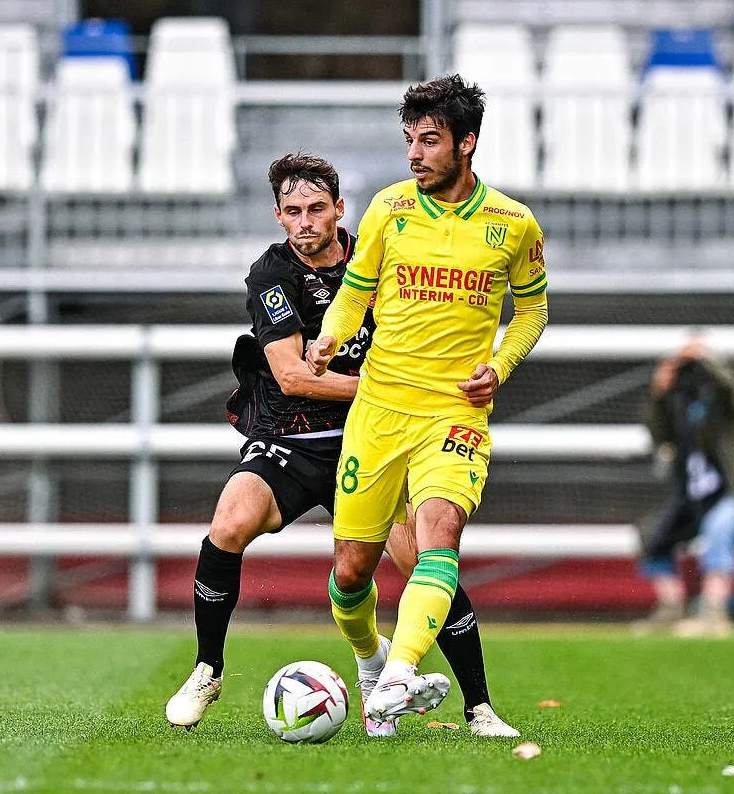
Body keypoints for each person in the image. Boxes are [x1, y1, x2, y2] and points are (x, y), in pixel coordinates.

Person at [164, 152, 518, 738]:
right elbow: (293, 376)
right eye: (293, 211)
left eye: (316, 209)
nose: (305, 221)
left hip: (376, 436)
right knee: (229, 522)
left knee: (422, 557)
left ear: (339, 210)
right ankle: (207, 671)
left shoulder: (378, 255)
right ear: (278, 215)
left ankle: (477, 706)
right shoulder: (271, 274)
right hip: (294, 435)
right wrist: (389, 386)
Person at [305, 75, 549, 729]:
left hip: (454, 412)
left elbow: (533, 311)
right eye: (410, 140)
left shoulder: (514, 224)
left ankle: (398, 678)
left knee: (440, 535)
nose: (414, 153)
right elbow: (355, 293)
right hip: (380, 411)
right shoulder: (388, 209)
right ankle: (371, 660)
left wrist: (499, 366)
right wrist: (330, 337)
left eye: (430, 141)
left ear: (466, 143)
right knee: (351, 572)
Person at [633, 339, 734, 637]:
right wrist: (659, 392)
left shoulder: (727, 409)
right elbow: (657, 433)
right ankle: (672, 608)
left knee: (719, 528)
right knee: (652, 534)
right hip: (695, 500)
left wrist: (708, 360)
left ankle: (714, 612)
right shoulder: (679, 405)